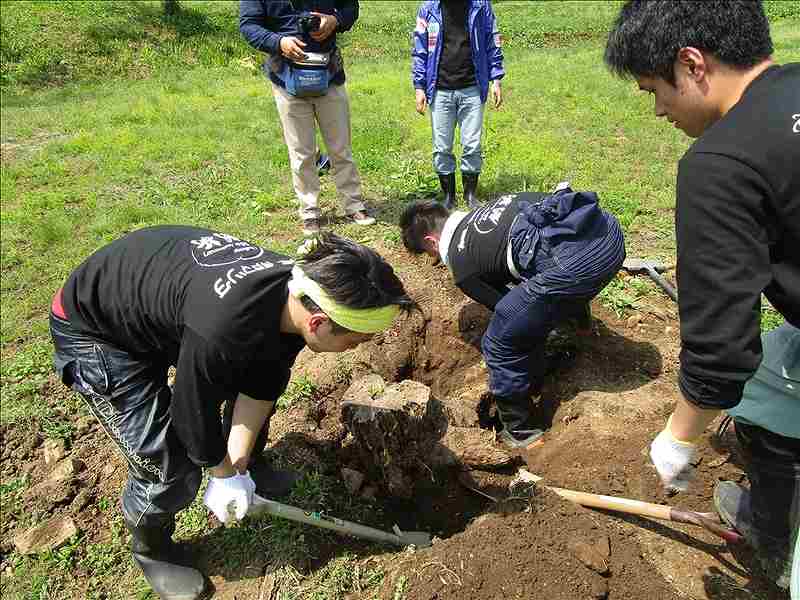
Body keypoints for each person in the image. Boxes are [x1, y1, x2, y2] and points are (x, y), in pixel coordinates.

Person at [49, 227, 414, 600]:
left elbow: (262, 382)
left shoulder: (294, 297)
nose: (353, 349)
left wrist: (237, 463)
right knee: (169, 462)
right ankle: (151, 549)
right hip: (96, 331)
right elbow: (192, 414)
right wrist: (220, 474)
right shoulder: (225, 326)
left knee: (240, 373)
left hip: (154, 309)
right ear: (318, 323)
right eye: (352, 341)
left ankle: (251, 468)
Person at [605, 0, 799, 590]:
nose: (658, 109)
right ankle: (770, 518)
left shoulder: (720, 163)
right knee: (773, 374)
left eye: (652, 90)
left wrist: (678, 437)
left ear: (692, 64)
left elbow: (721, 353)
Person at [400, 186, 625, 449]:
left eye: (432, 255)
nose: (436, 258)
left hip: (580, 268)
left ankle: (521, 432)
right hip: (609, 234)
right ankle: (580, 327)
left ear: (431, 242)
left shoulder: (462, 268)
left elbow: (506, 309)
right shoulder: (498, 204)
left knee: (498, 344)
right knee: (546, 265)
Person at [239, 1, 375, 236]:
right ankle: (310, 211)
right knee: (302, 152)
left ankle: (353, 205)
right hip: (286, 77)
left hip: (329, 74)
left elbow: (350, 8)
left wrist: (336, 21)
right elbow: (249, 25)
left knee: (340, 147)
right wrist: (279, 42)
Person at [412, 0, 504, 210]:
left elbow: (493, 40)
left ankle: (471, 194)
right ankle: (449, 196)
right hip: (440, 89)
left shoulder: (481, 6)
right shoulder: (428, 9)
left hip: (472, 87)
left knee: (472, 145)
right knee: (441, 147)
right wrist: (419, 86)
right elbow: (419, 49)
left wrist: (496, 79)